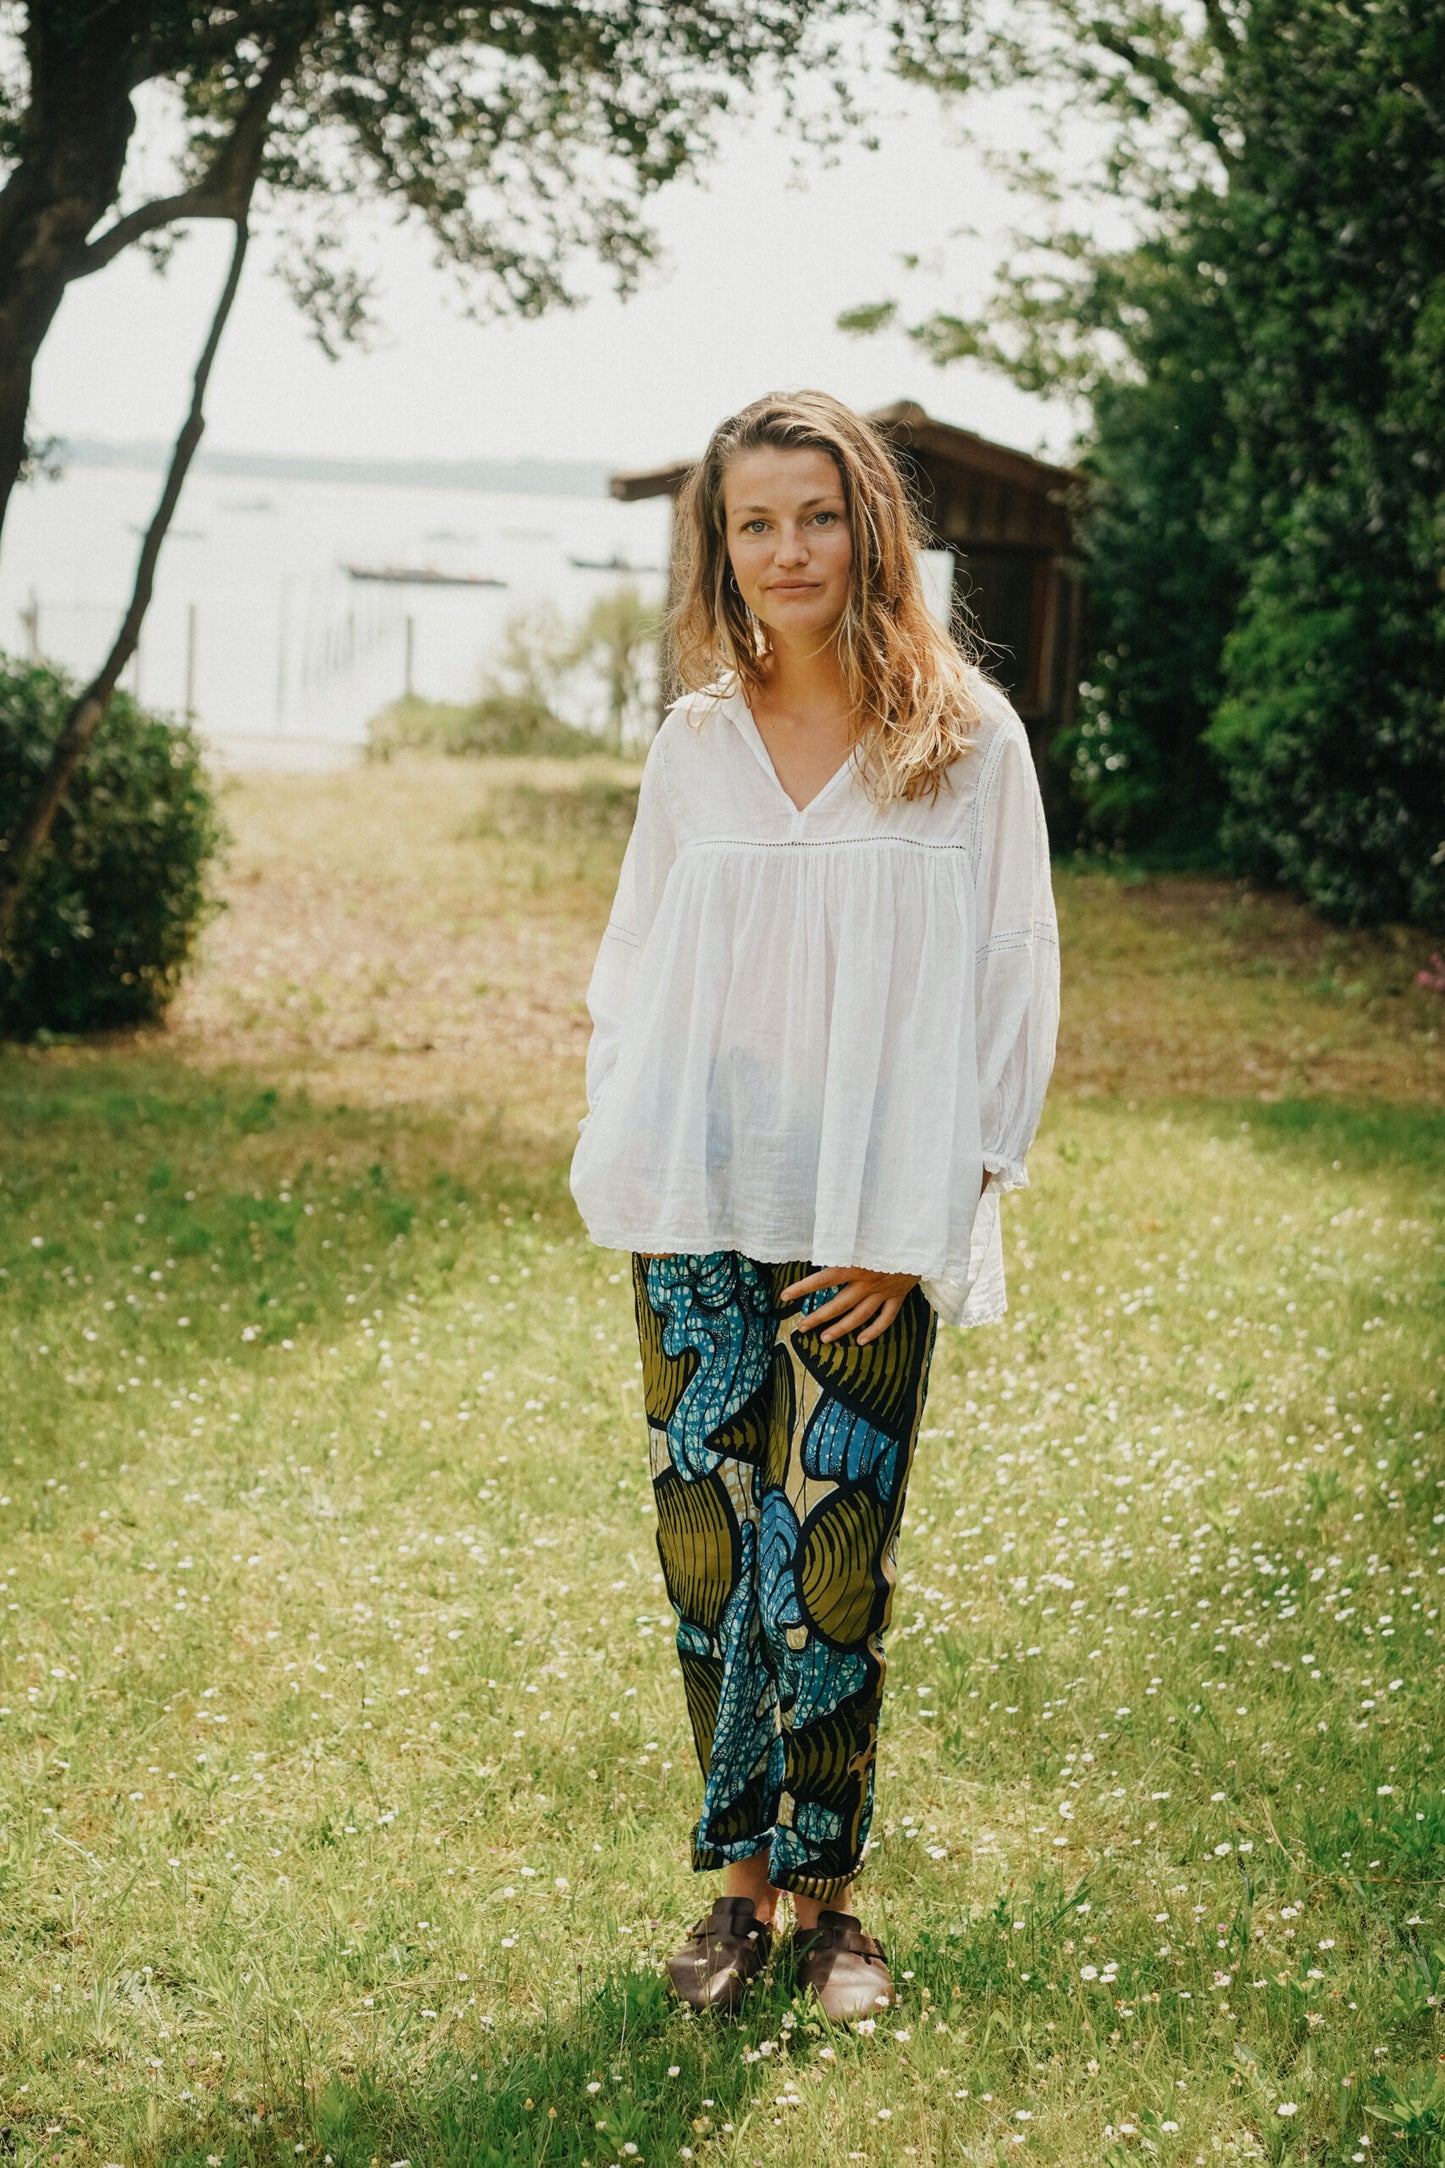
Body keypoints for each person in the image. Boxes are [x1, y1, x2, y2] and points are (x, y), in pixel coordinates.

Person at [570, 391, 1059, 2020]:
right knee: (710, 1565)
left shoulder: (966, 741)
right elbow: (635, 973)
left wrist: (920, 1229)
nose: (786, 551)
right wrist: (639, 1167)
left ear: (871, 528)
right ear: (721, 548)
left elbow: (1008, 983)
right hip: (696, 1204)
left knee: (830, 1571)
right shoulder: (695, 744)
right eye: (753, 523)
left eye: (816, 516)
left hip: (866, 1228)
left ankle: (832, 1910)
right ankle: (734, 1899)